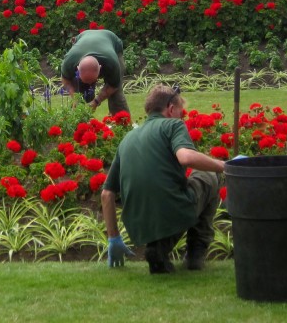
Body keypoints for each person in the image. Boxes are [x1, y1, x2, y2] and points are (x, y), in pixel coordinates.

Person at [101, 84, 225, 273]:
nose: (181, 117)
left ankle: (158, 249)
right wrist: (224, 165)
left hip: (138, 224)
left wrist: (114, 238)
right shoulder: (173, 124)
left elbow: (107, 194)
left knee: (170, 197)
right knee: (210, 174)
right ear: (171, 109)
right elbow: (186, 157)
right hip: (171, 209)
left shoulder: (127, 139)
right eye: (180, 113)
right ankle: (195, 254)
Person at [60, 29, 130, 114]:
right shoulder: (70, 61)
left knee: (116, 95)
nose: (90, 85)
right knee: (80, 93)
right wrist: (75, 98)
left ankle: (123, 123)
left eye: (93, 81)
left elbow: (113, 86)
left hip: (112, 42)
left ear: (100, 68)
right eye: (86, 81)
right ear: (77, 68)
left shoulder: (112, 63)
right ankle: (80, 123)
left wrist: (96, 101)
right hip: (83, 38)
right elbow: (65, 80)